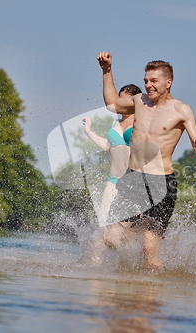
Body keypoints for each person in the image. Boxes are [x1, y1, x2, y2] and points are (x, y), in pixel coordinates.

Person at [99, 52, 196, 272]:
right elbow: (112, 104)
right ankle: (140, 235)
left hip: (161, 183)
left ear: (169, 82)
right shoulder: (139, 101)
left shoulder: (181, 110)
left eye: (153, 81)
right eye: (146, 81)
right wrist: (106, 71)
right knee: (110, 238)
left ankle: (148, 300)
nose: (148, 85)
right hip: (133, 179)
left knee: (149, 250)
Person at [83, 52, 142, 227]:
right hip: (112, 182)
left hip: (133, 185)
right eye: (119, 101)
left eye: (124, 102)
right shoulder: (116, 123)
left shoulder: (141, 122)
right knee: (103, 227)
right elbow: (110, 147)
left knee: (129, 232)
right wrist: (89, 132)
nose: (120, 106)